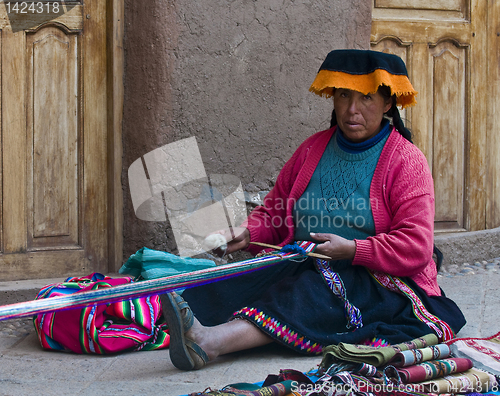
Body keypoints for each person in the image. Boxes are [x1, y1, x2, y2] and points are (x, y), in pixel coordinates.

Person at [161, 49, 466, 371]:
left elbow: (416, 247)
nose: (352, 110)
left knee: (307, 294)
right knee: (225, 287)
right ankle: (183, 325)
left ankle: (209, 343)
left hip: (374, 277)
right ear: (332, 97)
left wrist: (352, 249)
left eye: (366, 98)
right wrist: (247, 233)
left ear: (388, 103)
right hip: (303, 259)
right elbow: (276, 214)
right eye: (344, 95)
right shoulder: (313, 149)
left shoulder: (406, 161)